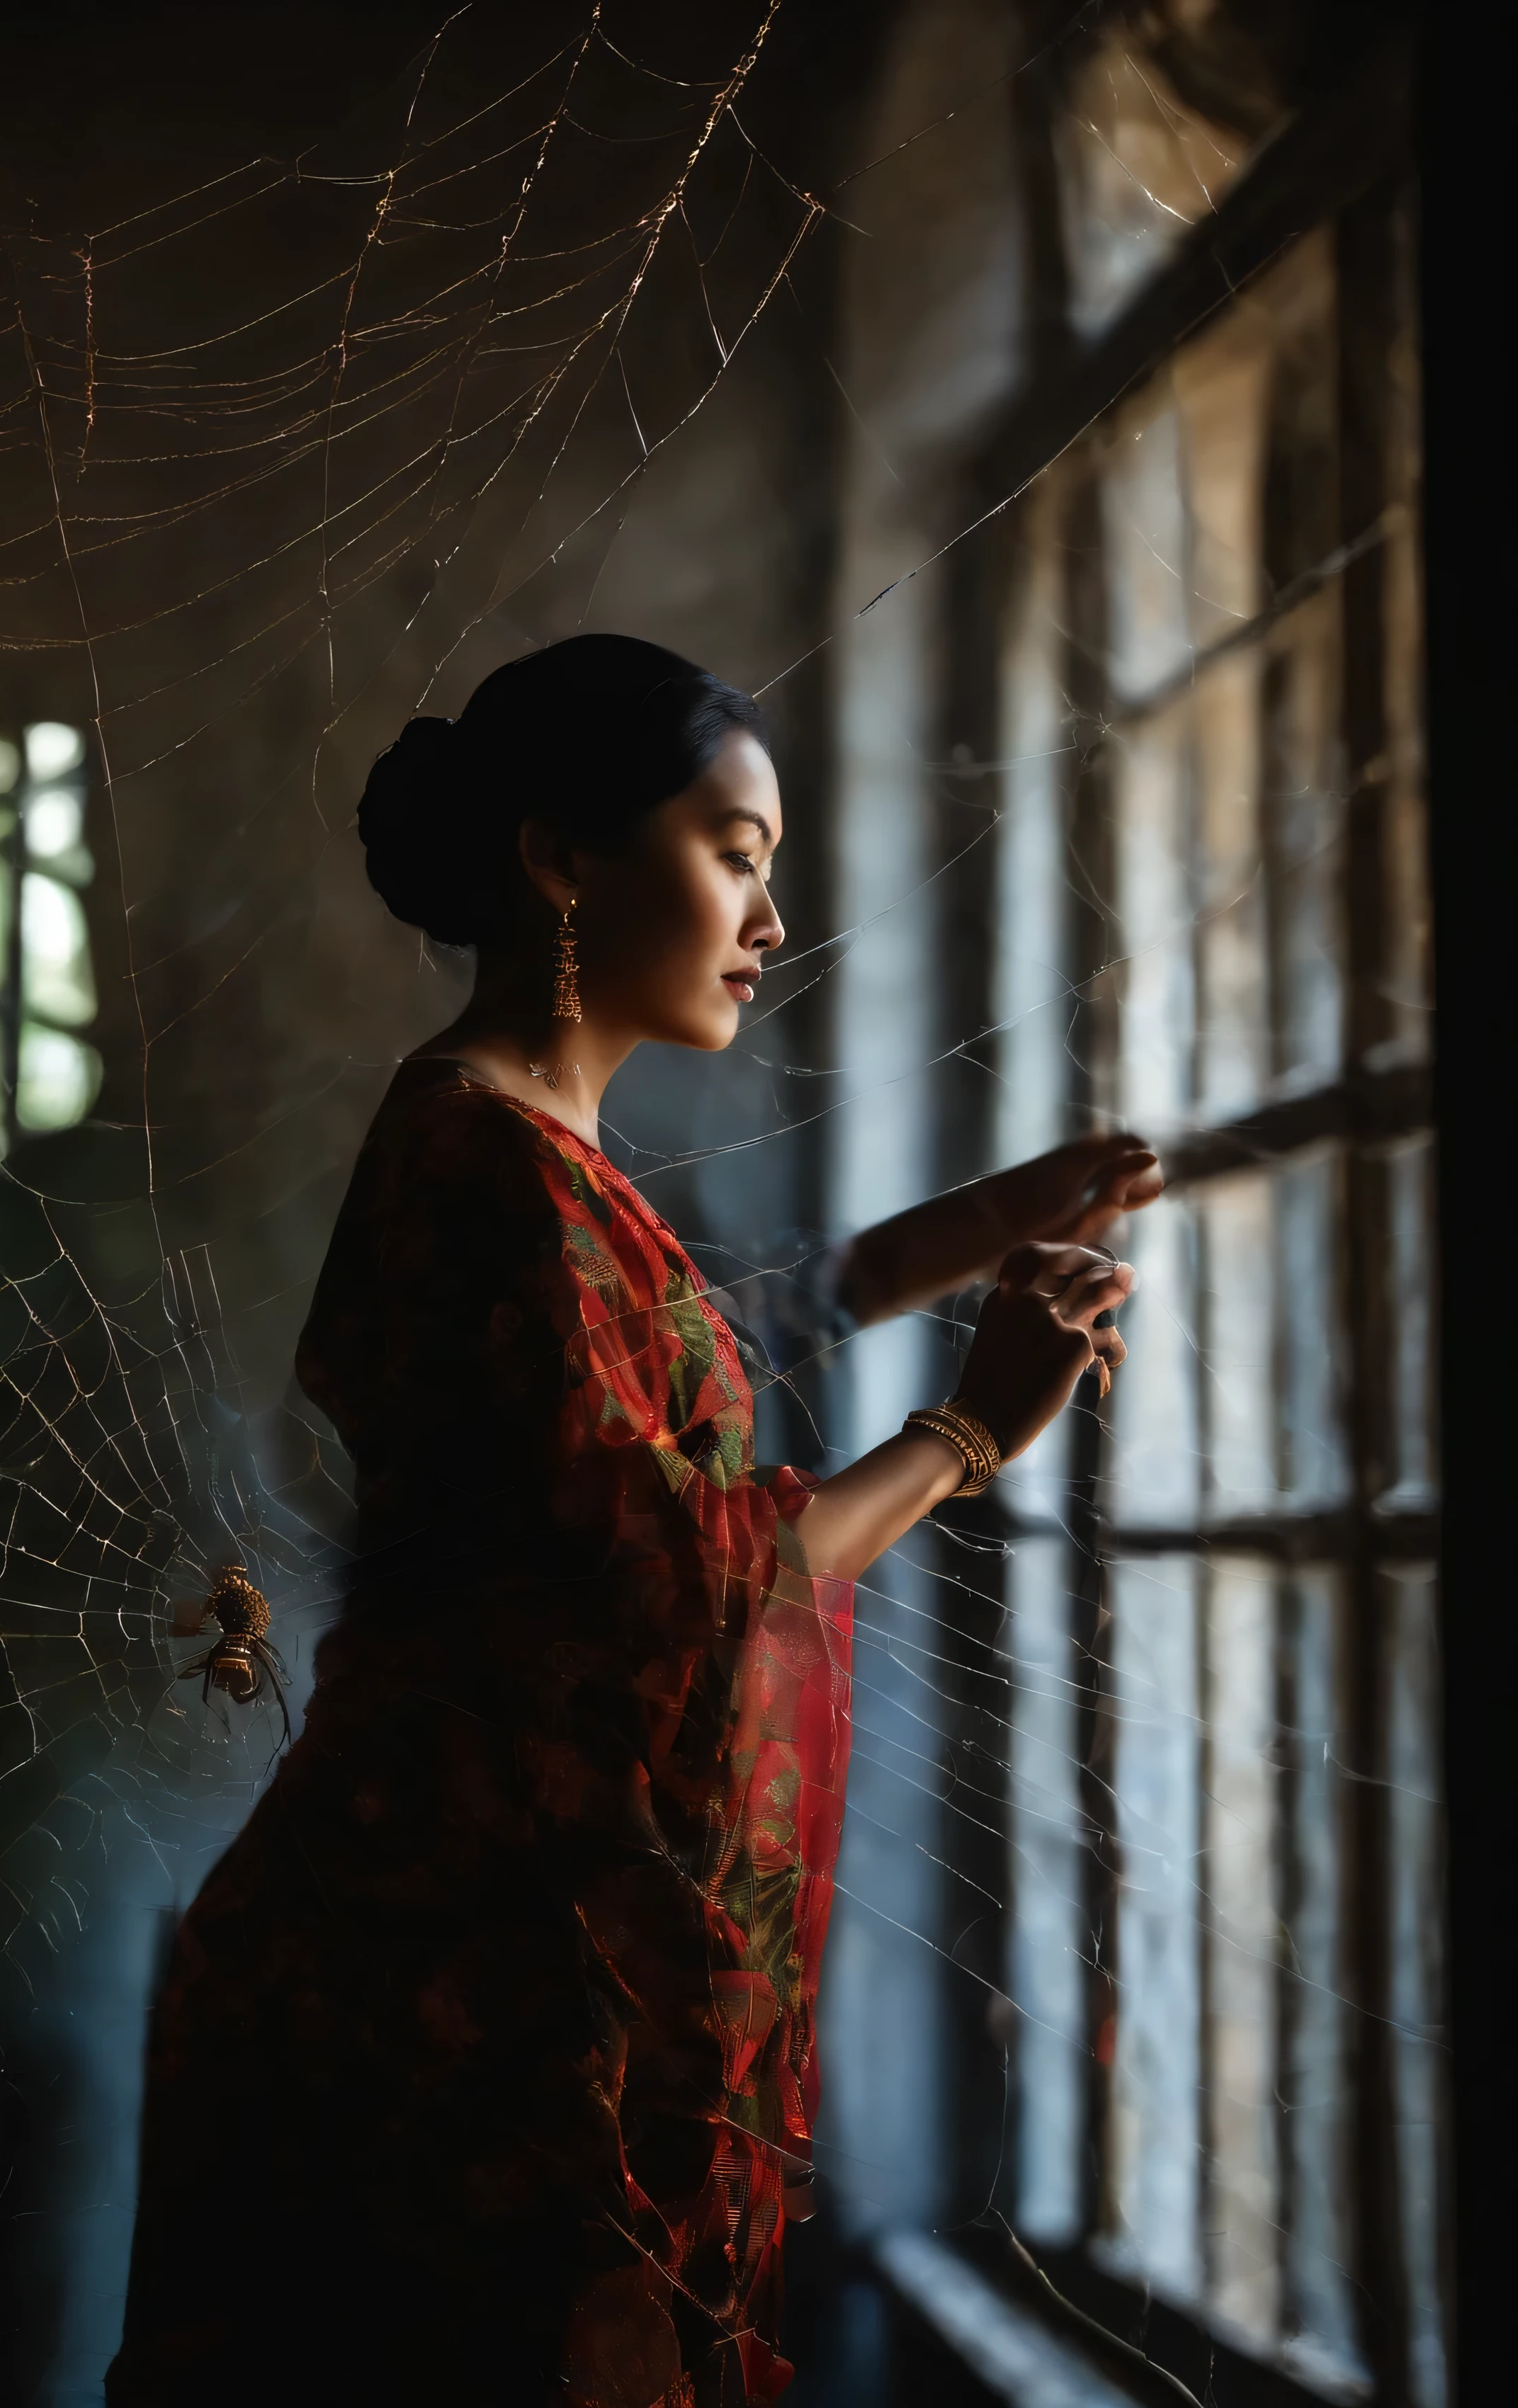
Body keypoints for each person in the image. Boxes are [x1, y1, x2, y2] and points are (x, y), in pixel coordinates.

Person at [107, 635, 1157, 2407]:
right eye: (735, 852)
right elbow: (679, 1572)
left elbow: (722, 1343)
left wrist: (988, 1223)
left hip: (504, 1960)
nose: (770, 916)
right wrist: (973, 1426)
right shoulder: (483, 1160)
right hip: (450, 1998)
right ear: (559, 856)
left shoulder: (539, 1154)